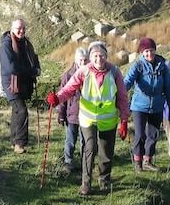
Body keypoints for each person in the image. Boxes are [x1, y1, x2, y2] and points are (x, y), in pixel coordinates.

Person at [47, 41, 130, 195]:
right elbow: (69, 88)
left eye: (102, 55)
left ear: (106, 56)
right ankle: (86, 183)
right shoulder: (83, 71)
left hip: (108, 119)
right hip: (87, 118)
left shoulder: (115, 72)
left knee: (106, 151)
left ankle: (104, 180)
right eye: (95, 56)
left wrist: (124, 120)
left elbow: (123, 98)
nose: (99, 59)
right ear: (91, 57)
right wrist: (57, 98)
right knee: (90, 148)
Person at [124, 37, 170, 172]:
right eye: (146, 52)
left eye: (151, 51)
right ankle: (137, 161)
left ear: (155, 50)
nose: (149, 54)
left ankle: (147, 160)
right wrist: (119, 95)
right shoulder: (138, 65)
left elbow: (168, 87)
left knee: (153, 134)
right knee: (139, 135)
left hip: (157, 106)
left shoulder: (163, 66)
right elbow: (127, 81)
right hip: (139, 105)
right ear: (142, 53)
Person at [0, 18, 41, 154]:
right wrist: (31, 72)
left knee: (17, 111)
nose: (21, 31)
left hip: (22, 83)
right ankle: (20, 143)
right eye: (18, 28)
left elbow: (33, 58)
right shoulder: (6, 45)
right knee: (22, 110)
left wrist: (37, 69)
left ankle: (14, 141)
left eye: (23, 28)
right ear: (12, 29)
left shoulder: (25, 43)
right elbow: (11, 67)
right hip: (11, 83)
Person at [57, 48, 88, 175]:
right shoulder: (68, 75)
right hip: (72, 115)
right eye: (81, 60)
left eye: (85, 60)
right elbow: (62, 96)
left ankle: (85, 163)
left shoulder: (91, 74)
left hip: (87, 116)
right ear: (76, 60)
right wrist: (61, 114)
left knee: (85, 141)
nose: (83, 62)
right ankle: (68, 162)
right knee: (70, 140)